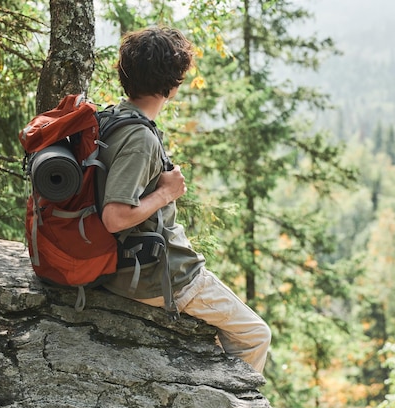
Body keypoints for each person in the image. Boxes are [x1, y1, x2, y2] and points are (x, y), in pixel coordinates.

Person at [97, 26, 271, 374]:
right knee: (255, 334)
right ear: (171, 85)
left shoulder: (111, 118)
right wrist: (166, 193)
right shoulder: (140, 138)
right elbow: (114, 217)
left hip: (126, 265)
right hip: (160, 275)